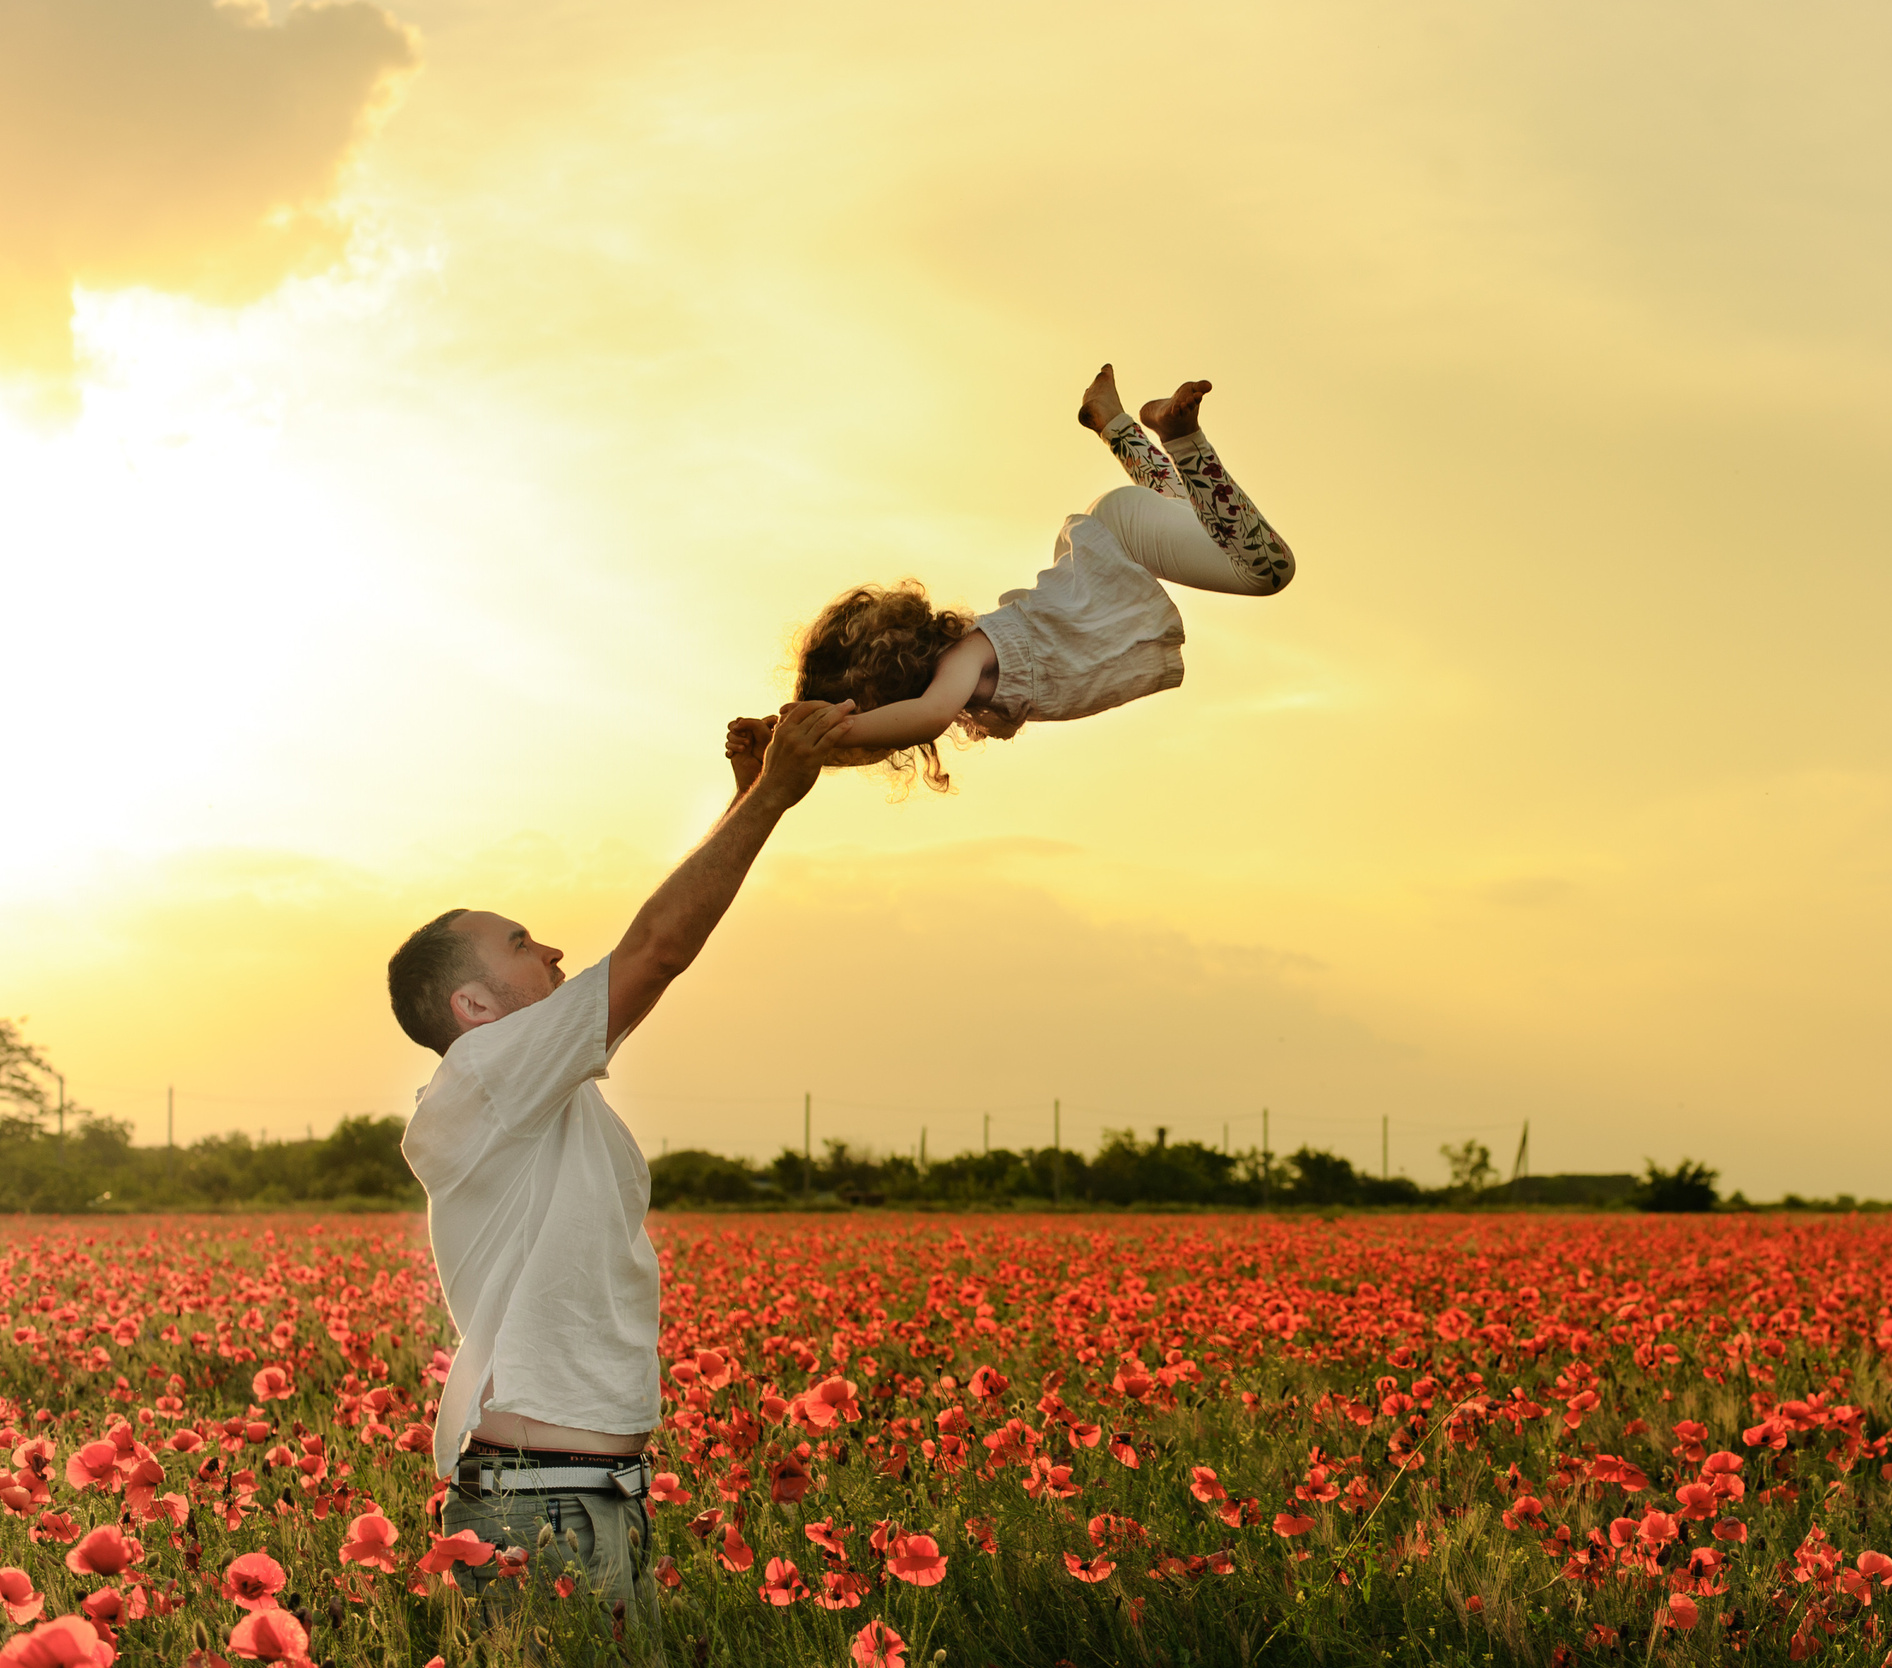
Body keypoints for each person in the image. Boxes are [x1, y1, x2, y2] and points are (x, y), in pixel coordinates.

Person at [383, 699, 852, 1605]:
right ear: (474, 1008)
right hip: (539, 1511)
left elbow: (654, 955)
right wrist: (772, 798)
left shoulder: (537, 1090)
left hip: (580, 1500)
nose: (554, 947)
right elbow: (656, 951)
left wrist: (745, 797)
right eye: (521, 943)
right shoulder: (485, 1077)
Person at [754, 365, 1296, 794]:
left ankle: (1180, 435)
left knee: (1267, 569)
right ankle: (1114, 422)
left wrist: (828, 725)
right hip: (1115, 535)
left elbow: (923, 719)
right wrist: (775, 748)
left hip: (1118, 538)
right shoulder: (957, 682)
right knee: (1206, 526)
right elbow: (883, 738)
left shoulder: (964, 658)